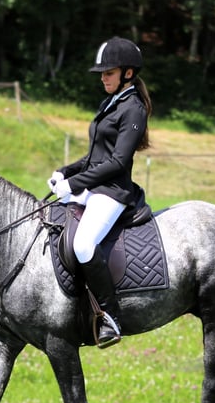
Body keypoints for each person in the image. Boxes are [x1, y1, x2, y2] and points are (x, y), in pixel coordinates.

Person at [48, 37, 152, 348]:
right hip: (93, 186)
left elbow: (118, 161)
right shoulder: (111, 103)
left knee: (82, 244)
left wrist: (75, 185)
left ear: (128, 73)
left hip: (113, 192)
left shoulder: (133, 108)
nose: (104, 77)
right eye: (102, 73)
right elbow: (95, 157)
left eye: (109, 72)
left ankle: (110, 316)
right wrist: (66, 171)